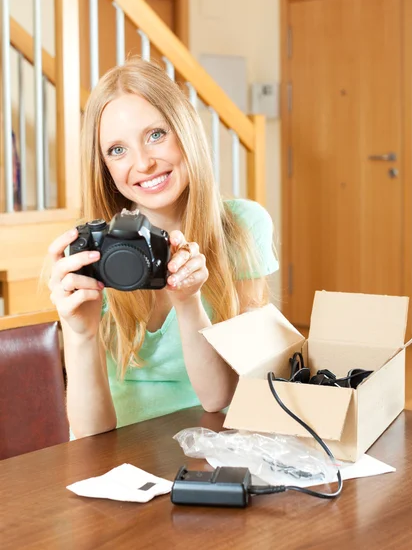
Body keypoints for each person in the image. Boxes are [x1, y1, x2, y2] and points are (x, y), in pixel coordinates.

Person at [48, 58, 279, 439]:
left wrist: (189, 302)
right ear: (103, 166)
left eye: (156, 134)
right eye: (117, 150)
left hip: (213, 442)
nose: (144, 163)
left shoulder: (242, 227)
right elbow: (89, 434)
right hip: (117, 456)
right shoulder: (88, 251)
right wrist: (81, 334)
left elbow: (218, 399)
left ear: (185, 130)